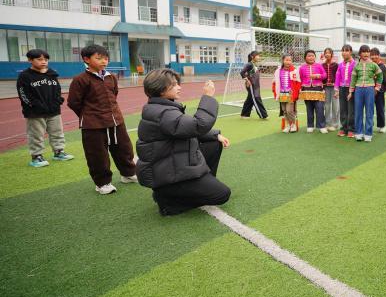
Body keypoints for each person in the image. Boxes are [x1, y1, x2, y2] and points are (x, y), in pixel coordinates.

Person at [135, 70, 231, 216]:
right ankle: (169, 202)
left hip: (170, 167)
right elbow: (198, 125)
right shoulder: (164, 113)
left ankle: (198, 185)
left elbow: (183, 130)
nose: (179, 87)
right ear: (161, 89)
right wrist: (207, 97)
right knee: (222, 194)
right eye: (174, 85)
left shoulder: (160, 108)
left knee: (213, 142)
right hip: (167, 176)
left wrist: (214, 135)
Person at [67, 45, 138, 195]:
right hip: (93, 125)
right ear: (86, 59)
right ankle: (102, 183)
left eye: (106, 58)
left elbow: (114, 95)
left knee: (124, 149)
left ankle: (128, 174)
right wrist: (88, 115)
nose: (104, 61)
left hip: (116, 121)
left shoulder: (111, 77)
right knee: (97, 155)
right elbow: (73, 102)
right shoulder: (80, 80)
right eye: (99, 58)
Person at [17, 48, 74, 167]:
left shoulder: (51, 74)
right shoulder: (25, 76)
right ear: (30, 60)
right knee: (36, 135)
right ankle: (36, 156)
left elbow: (57, 89)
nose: (43, 62)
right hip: (35, 112)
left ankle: (59, 151)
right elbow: (23, 94)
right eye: (39, 59)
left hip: (54, 110)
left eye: (46, 59)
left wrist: (58, 100)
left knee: (57, 132)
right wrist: (34, 105)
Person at [348, 45, 383, 142]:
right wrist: (350, 92)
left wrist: (377, 88)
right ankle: (359, 133)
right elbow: (353, 79)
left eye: (367, 52)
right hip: (358, 90)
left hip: (370, 89)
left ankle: (368, 134)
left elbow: (380, 76)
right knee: (358, 112)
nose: (366, 54)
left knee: (369, 112)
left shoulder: (374, 65)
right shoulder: (356, 65)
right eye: (363, 52)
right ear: (360, 54)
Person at [299, 50, 328, 133]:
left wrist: (318, 76)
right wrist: (301, 88)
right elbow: (300, 78)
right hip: (306, 89)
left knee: (320, 108)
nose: (311, 57)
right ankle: (310, 125)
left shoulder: (319, 66)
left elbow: (325, 75)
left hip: (318, 89)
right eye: (309, 56)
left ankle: (322, 126)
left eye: (312, 55)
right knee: (309, 108)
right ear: (305, 58)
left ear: (315, 57)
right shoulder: (302, 67)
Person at [272, 54, 301, 133]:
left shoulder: (294, 71)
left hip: (290, 93)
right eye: (286, 60)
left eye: (290, 60)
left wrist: (296, 93)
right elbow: (275, 82)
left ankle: (293, 124)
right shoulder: (278, 71)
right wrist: (275, 92)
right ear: (283, 61)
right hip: (281, 93)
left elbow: (298, 83)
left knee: (289, 110)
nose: (288, 62)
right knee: (284, 110)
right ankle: (288, 125)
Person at [334, 44, 356, 137]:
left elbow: (355, 78)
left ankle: (351, 129)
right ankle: (343, 128)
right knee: (343, 109)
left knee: (351, 109)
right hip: (342, 89)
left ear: (351, 52)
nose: (344, 52)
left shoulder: (355, 64)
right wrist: (336, 90)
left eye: (346, 50)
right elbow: (337, 77)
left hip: (352, 89)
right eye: (343, 51)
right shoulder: (340, 65)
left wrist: (352, 90)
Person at [240, 51, 268, 119]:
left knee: (250, 99)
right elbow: (242, 72)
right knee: (256, 98)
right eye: (257, 55)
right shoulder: (249, 64)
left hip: (256, 85)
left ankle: (245, 114)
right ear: (252, 57)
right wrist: (247, 80)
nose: (259, 57)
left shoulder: (254, 64)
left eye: (259, 55)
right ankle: (263, 115)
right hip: (252, 85)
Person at [370, 47, 386, 133]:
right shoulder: (369, 65)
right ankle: (370, 125)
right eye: (372, 55)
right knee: (370, 109)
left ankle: (382, 125)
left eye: (375, 55)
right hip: (369, 90)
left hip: (380, 91)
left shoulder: (382, 66)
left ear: (379, 55)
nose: (374, 57)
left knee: (380, 108)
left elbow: (385, 79)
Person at [322, 48, 339, 131]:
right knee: (327, 106)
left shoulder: (336, 65)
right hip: (325, 87)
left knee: (335, 106)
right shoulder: (322, 65)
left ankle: (335, 124)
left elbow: (338, 76)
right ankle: (327, 124)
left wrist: (337, 86)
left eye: (329, 53)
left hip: (334, 87)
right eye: (326, 53)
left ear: (332, 54)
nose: (327, 54)